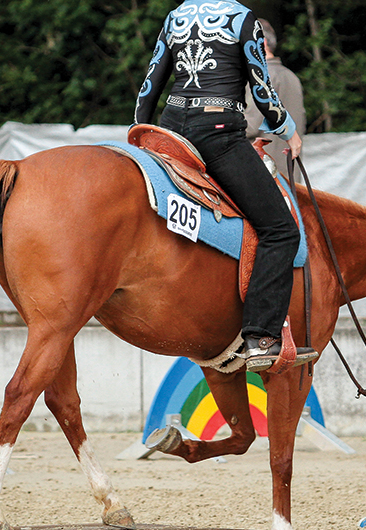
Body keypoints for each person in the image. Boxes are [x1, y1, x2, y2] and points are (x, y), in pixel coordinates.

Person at [134, 0, 317, 372]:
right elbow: (262, 91)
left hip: (170, 129)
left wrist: (139, 132)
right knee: (281, 231)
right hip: (217, 134)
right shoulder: (242, 18)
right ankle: (260, 337)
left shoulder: (176, 17)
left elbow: (149, 86)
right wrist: (288, 131)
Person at [243, 19, 306, 180]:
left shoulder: (260, 76)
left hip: (263, 174)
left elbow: (250, 126)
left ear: (261, 43)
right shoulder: (291, 76)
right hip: (290, 174)